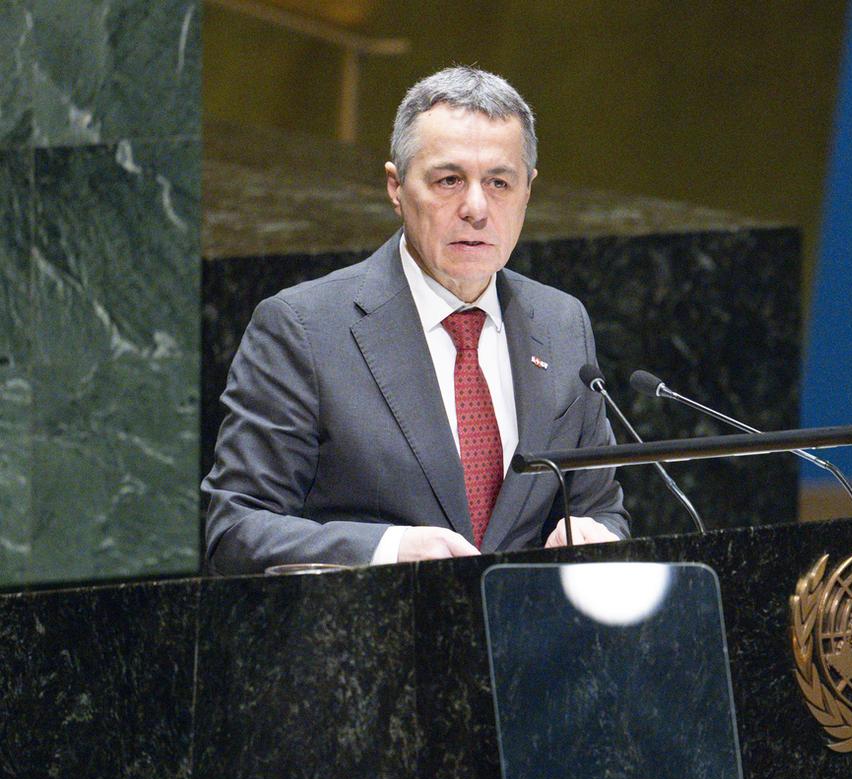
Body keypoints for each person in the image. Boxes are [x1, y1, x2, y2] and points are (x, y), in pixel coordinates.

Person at [202, 67, 627, 574]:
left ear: (528, 191)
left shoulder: (561, 324)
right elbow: (236, 531)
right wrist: (390, 552)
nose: (476, 208)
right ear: (396, 187)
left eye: (499, 182)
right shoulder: (303, 329)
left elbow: (601, 509)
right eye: (449, 180)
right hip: (373, 636)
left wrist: (597, 534)